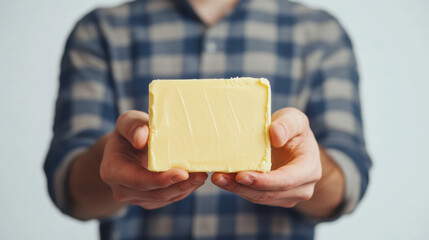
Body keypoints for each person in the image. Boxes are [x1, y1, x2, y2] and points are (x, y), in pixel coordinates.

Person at [44, 0, 372, 239]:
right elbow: (66, 187)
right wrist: (109, 162)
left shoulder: (321, 33)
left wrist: (310, 171)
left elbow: (349, 180)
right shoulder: (100, 30)